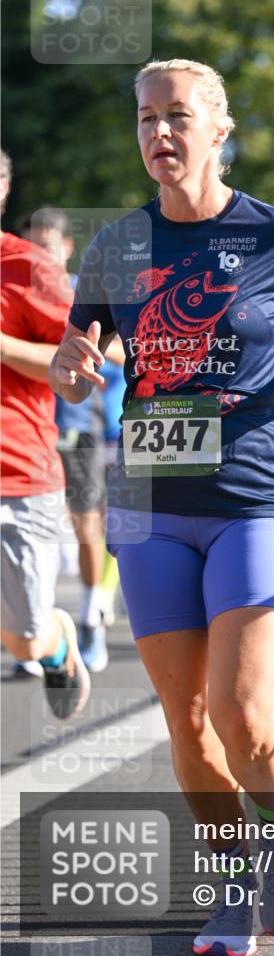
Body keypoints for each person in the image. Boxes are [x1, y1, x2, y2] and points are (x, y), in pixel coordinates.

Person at [49, 59, 274, 956]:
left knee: (242, 715)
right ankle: (232, 884)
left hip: (247, 499)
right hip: (149, 505)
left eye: (177, 115)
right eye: (145, 118)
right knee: (184, 720)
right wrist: (75, 361)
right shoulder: (117, 244)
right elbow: (84, 342)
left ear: (219, 128)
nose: (158, 134)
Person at [0, 148, 90, 716]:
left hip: (16, 474)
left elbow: (79, 366)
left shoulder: (29, 266)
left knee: (24, 637)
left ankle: (56, 645)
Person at [22, 206, 123, 671]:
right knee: (33, 531)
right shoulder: (15, 291)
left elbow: (124, 346)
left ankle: (88, 621)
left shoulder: (80, 289)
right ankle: (34, 629)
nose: (37, 255)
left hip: (79, 424)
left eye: (46, 247)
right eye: (31, 246)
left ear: (64, 249)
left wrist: (88, 350)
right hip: (28, 429)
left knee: (85, 525)